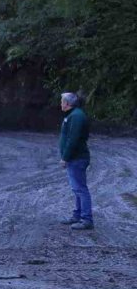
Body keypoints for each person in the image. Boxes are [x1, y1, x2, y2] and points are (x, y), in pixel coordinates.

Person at [58, 92, 92, 230]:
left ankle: (86, 219)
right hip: (76, 157)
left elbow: (73, 139)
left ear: (67, 103)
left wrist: (65, 157)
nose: (60, 103)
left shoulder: (76, 116)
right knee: (77, 189)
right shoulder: (73, 115)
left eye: (61, 101)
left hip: (77, 158)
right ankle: (78, 216)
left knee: (80, 189)